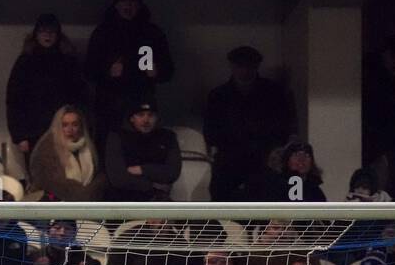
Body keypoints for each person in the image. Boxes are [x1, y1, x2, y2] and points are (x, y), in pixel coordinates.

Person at [84, 0, 174, 148]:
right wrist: (108, 72)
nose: (128, 5)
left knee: (141, 154)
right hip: (110, 107)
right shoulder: (103, 33)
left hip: (142, 106)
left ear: (139, 4)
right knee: (110, 152)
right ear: (116, 4)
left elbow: (168, 70)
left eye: (132, 1)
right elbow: (88, 71)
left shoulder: (152, 33)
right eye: (124, 1)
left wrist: (157, 71)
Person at [203, 45, 297, 201]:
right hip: (229, 159)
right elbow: (211, 132)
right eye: (240, 66)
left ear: (256, 67)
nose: (245, 70)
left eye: (249, 66)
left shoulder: (273, 92)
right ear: (232, 67)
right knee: (223, 201)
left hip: (262, 158)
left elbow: (282, 127)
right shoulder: (218, 95)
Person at [5, 14, 85, 155]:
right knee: (39, 173)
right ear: (36, 34)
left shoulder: (68, 61)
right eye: (43, 31)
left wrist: (78, 127)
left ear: (58, 35)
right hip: (33, 131)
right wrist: (20, 135)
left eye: (52, 32)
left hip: (64, 129)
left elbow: (79, 96)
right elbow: (14, 100)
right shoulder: (25, 61)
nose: (47, 35)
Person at [361, 34, 395, 199]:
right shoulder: (371, 78)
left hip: (389, 143)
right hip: (371, 143)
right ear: (385, 55)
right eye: (393, 56)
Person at [26, 105, 106, 201]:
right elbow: (52, 183)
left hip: (87, 202)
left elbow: (98, 176)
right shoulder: (47, 150)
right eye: (65, 125)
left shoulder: (87, 147)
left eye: (75, 124)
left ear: (80, 126)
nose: (70, 129)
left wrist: (90, 192)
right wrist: (82, 194)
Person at [105, 99, 180, 201]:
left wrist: (142, 169)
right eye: (141, 115)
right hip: (124, 201)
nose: (146, 120)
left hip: (157, 201)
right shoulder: (117, 137)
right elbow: (118, 178)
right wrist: (152, 185)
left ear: (156, 117)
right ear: (132, 118)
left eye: (150, 115)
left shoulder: (167, 137)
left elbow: (172, 172)